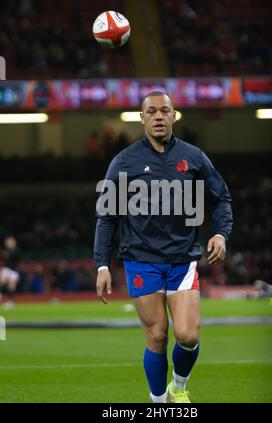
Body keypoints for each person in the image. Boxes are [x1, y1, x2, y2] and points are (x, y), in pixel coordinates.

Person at [94, 91, 233, 403]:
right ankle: (158, 403)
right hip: (141, 260)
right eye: (152, 112)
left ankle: (179, 387)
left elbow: (221, 197)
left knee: (188, 336)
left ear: (174, 116)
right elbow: (107, 216)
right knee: (157, 335)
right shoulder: (123, 162)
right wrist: (103, 265)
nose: (158, 116)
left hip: (183, 260)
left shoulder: (194, 158)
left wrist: (221, 234)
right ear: (142, 118)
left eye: (164, 111)